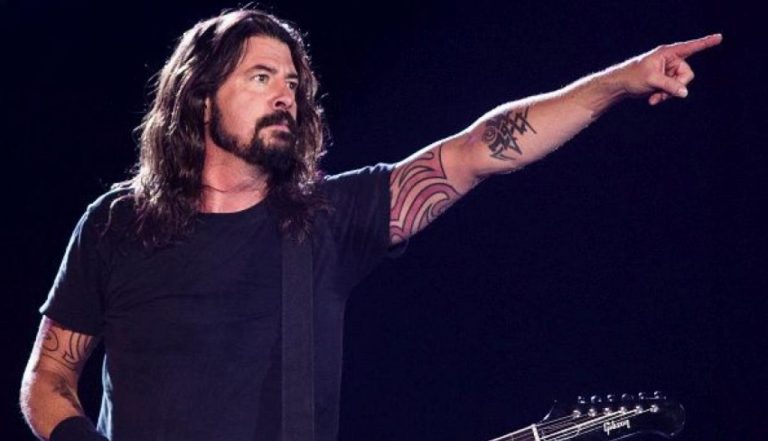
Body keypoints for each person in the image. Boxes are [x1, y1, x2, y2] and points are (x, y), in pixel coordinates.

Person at [18, 6, 721, 441]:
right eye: (261, 77)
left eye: (293, 82)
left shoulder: (326, 221)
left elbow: (477, 150)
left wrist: (620, 81)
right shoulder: (118, 225)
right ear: (200, 98)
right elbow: (47, 379)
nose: (286, 95)